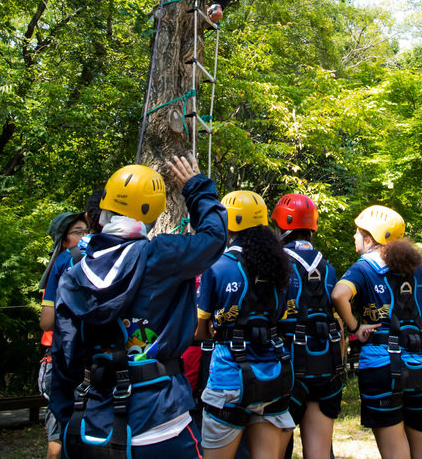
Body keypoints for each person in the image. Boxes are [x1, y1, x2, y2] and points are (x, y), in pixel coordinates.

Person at [49, 157, 228, 458]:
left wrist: (69, 420)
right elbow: (214, 237)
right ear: (152, 212)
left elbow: (65, 358)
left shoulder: (74, 275)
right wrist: (196, 187)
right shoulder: (162, 255)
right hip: (162, 415)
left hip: (96, 422)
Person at [332, 206, 422, 459]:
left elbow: (338, 295)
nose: (355, 238)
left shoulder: (363, 268)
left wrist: (355, 327)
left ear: (369, 238)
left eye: (358, 233)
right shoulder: (419, 268)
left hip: (380, 367)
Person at [196, 189, 295, 459]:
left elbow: (199, 330)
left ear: (228, 223)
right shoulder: (282, 267)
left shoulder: (218, 266)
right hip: (273, 375)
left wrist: (216, 328)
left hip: (229, 378)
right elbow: (282, 319)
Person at [271, 193, 343, 459]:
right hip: (324, 365)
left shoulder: (275, 264)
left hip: (286, 367)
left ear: (281, 225)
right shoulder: (328, 267)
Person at [39, 211, 88, 459]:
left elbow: (46, 322)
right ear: (64, 238)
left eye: (85, 230)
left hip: (62, 361)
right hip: (95, 361)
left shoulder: (59, 264)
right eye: (78, 232)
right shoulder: (104, 259)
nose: (83, 236)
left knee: (58, 433)